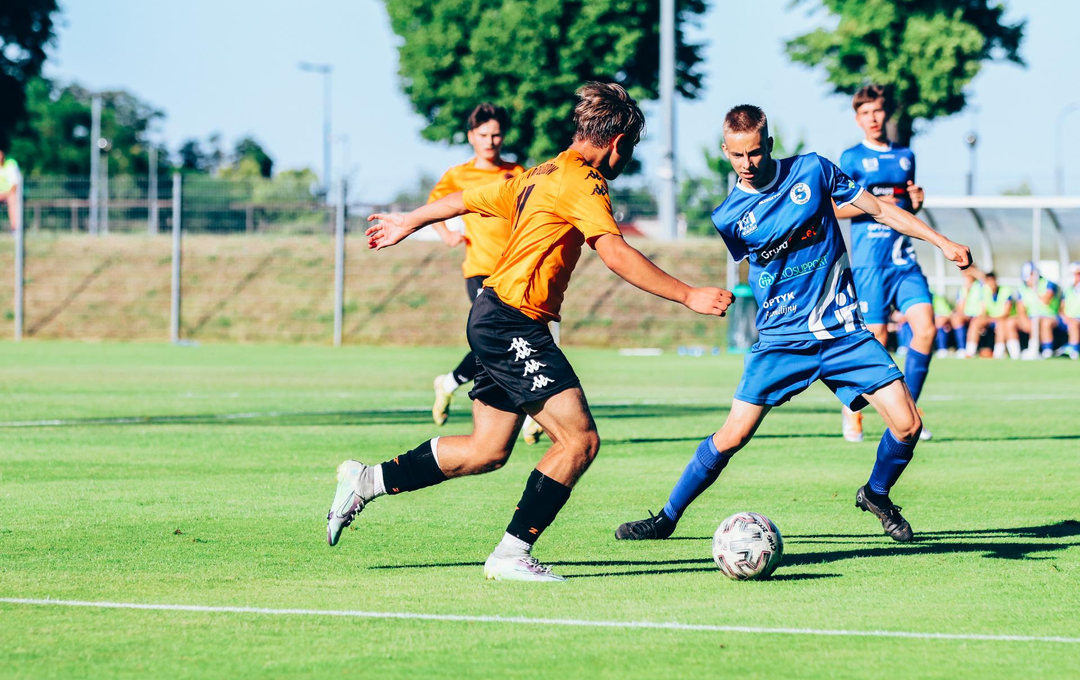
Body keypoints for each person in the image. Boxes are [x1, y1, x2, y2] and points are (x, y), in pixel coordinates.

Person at [328, 83, 733, 581]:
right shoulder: (582, 181)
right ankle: (511, 554)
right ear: (617, 141)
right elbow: (614, 252)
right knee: (579, 440)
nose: (628, 158)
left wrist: (409, 220)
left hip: (497, 314)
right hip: (510, 321)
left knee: (487, 449)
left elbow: (464, 199)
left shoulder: (539, 174)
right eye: (630, 147)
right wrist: (688, 294)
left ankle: (367, 480)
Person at [615, 105, 970, 545]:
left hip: (843, 332)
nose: (747, 164)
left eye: (755, 152)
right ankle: (666, 519)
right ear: (725, 151)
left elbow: (879, 209)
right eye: (737, 155)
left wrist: (941, 241)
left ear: (769, 144)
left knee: (908, 425)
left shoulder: (814, 170)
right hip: (781, 340)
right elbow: (760, 268)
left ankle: (876, 494)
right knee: (732, 435)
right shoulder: (728, 216)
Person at [422, 104, 541, 442]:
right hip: (481, 272)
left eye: (496, 134)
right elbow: (434, 205)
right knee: (497, 339)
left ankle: (449, 383)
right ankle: (535, 413)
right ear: (472, 136)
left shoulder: (516, 172)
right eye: (484, 134)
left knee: (525, 338)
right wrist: (446, 233)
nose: (490, 141)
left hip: (516, 271)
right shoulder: (459, 175)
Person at [834, 85, 935, 443]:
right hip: (869, 263)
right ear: (857, 119)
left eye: (877, 111)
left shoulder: (905, 156)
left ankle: (910, 410)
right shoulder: (851, 158)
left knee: (926, 329)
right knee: (875, 340)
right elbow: (834, 208)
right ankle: (851, 410)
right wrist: (874, 204)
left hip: (903, 260)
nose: (873, 118)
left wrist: (916, 202)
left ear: (885, 114)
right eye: (865, 113)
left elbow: (906, 209)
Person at [965, 270, 1021, 359]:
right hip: (991, 319)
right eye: (988, 281)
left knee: (1002, 324)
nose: (991, 284)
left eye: (992, 281)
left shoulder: (1005, 290)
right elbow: (983, 311)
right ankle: (970, 352)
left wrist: (994, 319)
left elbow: (1006, 313)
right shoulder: (984, 291)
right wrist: (984, 321)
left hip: (1005, 319)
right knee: (975, 322)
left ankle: (999, 353)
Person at [1015, 262, 1061, 358]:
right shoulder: (1022, 288)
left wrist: (1034, 289)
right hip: (1031, 317)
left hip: (1050, 316)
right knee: (1011, 323)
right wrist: (1024, 321)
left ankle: (1047, 351)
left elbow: (1046, 301)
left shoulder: (1048, 284)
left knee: (1043, 322)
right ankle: (1017, 352)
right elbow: (1021, 310)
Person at [952, 270, 984, 357]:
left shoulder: (981, 285)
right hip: (967, 315)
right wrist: (966, 291)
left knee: (975, 322)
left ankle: (970, 351)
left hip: (979, 315)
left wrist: (971, 270)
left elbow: (984, 278)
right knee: (956, 319)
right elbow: (960, 308)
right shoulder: (963, 289)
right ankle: (962, 349)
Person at [0, 147, 23, 232]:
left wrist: (5, 194)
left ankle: (15, 227)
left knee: (12, 200)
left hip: (10, 194)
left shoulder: (10, 165)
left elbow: (15, 185)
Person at [1061, 262, 1080, 360]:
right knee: (1073, 324)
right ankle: (1073, 350)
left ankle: (1073, 350)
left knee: (1074, 324)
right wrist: (1065, 317)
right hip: (1068, 320)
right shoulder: (1068, 291)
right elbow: (1061, 308)